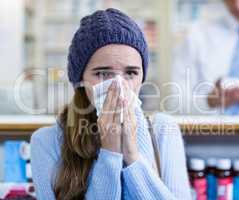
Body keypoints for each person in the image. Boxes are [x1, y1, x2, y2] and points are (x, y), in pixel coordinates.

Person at [30, 8, 191, 200]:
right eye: (103, 73)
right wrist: (110, 152)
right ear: (80, 80)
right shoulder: (47, 141)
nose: (119, 86)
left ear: (142, 77)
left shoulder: (163, 130)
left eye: (131, 73)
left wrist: (132, 154)